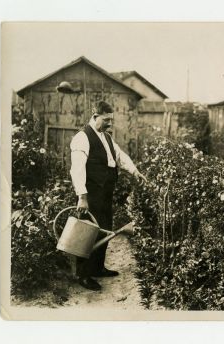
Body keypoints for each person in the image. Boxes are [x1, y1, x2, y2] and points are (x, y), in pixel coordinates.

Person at [70, 100, 147, 291]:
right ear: (95, 117)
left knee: (105, 228)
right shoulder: (82, 138)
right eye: (106, 120)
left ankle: (97, 268)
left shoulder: (106, 137)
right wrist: (82, 196)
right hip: (91, 194)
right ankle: (83, 274)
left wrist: (135, 171)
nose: (109, 124)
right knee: (87, 233)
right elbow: (77, 169)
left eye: (111, 120)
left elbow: (119, 157)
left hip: (105, 193)